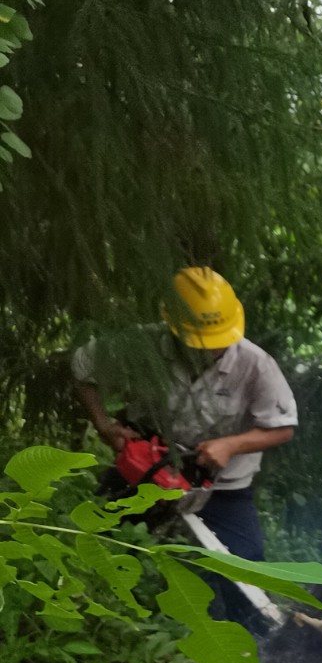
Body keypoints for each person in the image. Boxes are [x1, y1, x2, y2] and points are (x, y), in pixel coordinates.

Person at [74, 267, 298, 625]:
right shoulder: (142, 344)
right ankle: (105, 621)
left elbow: (282, 427)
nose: (212, 347)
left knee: (245, 566)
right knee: (96, 539)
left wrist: (231, 445)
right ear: (174, 327)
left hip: (221, 486)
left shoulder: (255, 365)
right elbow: (83, 366)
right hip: (148, 470)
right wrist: (103, 425)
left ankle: (251, 638)